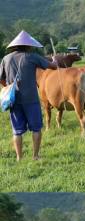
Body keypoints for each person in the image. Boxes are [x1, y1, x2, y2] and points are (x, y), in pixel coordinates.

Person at [0, 31, 58, 161]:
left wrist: (7, 88)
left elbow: (1, 79)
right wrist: (55, 59)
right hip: (31, 99)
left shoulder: (6, 58)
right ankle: (35, 156)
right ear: (28, 45)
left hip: (13, 100)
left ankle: (19, 157)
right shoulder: (32, 57)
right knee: (36, 128)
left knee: (17, 130)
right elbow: (53, 67)